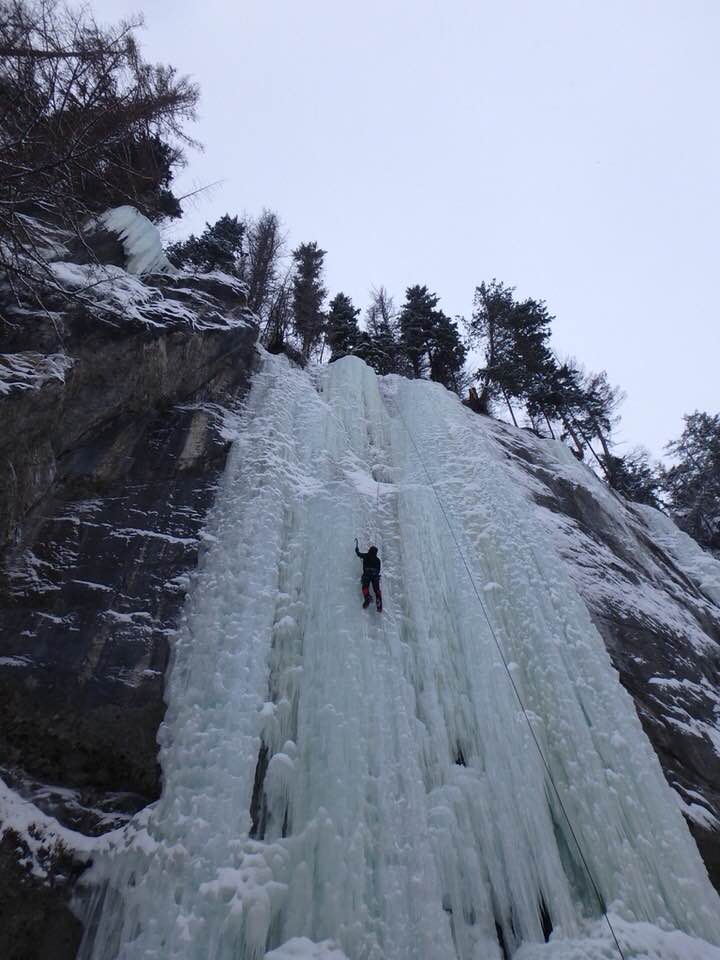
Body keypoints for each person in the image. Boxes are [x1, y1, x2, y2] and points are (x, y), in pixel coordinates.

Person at [355, 538, 382, 611]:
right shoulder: (377, 560)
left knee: (365, 587)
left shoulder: (366, 555)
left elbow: (358, 554)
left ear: (369, 550)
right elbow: (378, 570)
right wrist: (375, 574)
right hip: (375, 575)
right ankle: (379, 603)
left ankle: (367, 597)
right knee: (377, 590)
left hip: (366, 574)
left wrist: (357, 549)